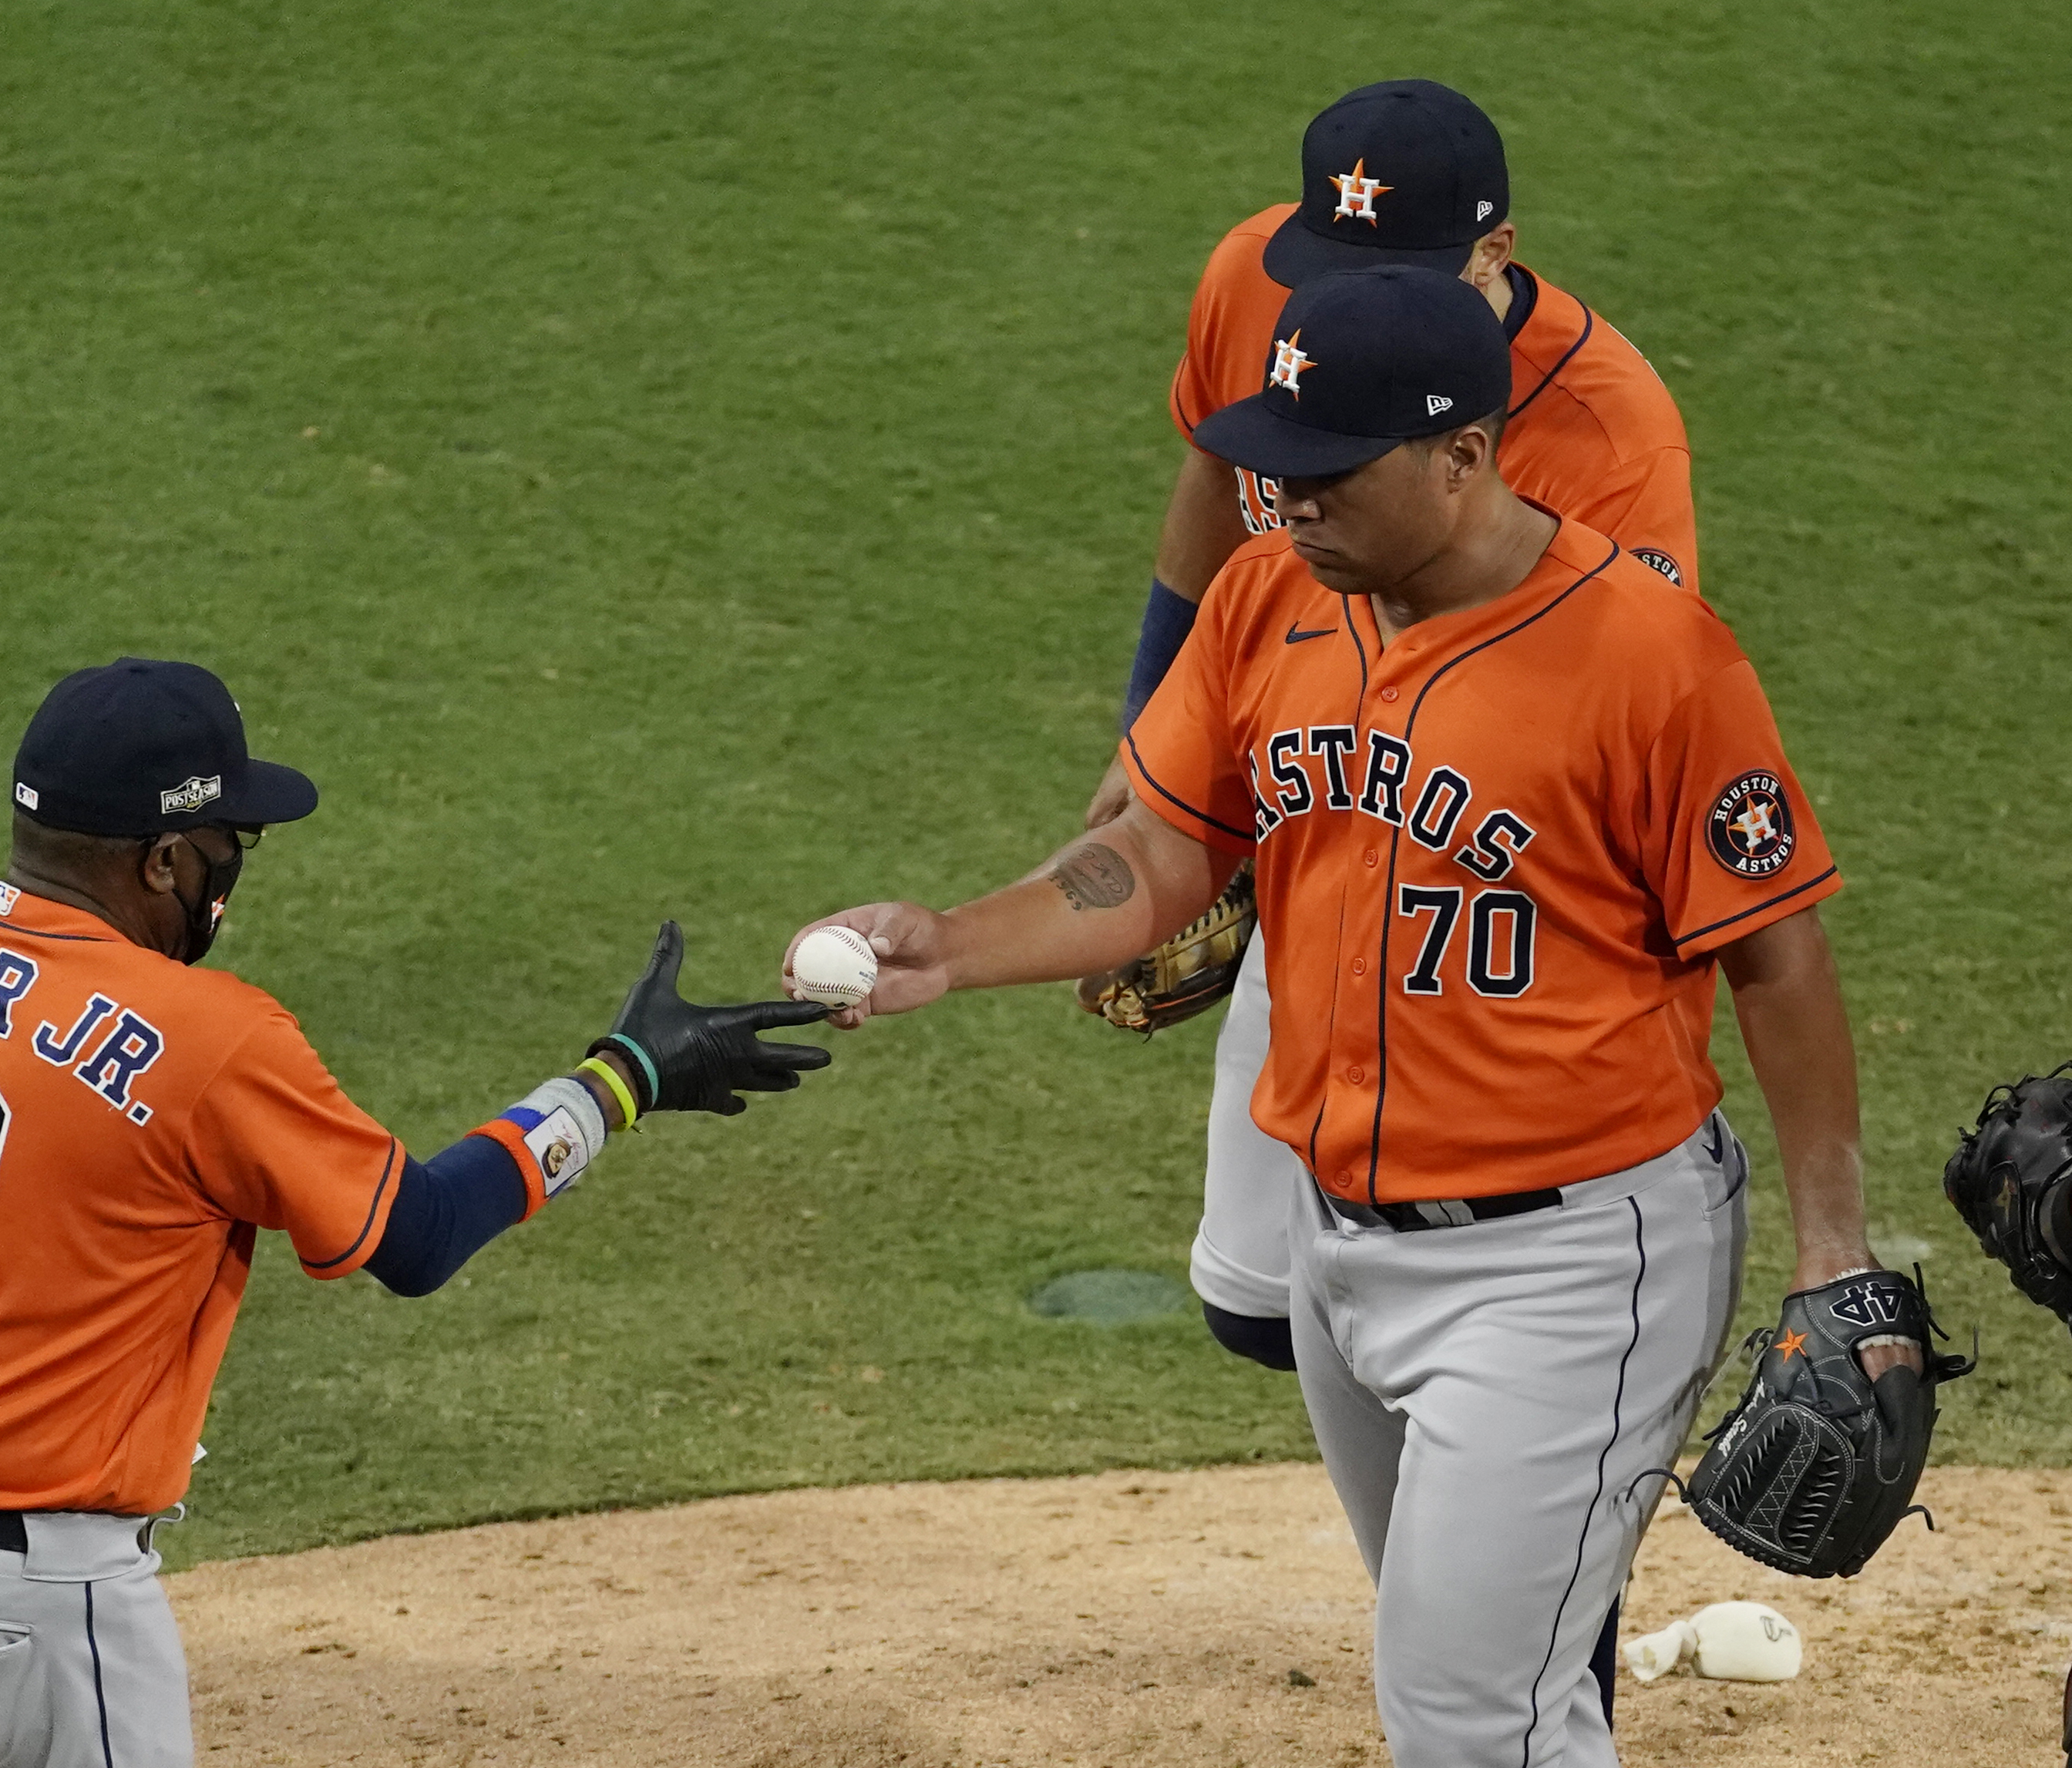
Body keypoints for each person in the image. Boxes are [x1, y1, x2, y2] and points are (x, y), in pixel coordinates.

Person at [789, 269, 1921, 1766]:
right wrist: (957, 939)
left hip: (1571, 1266)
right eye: (1276, 462)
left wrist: (1830, 1245)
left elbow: (1776, 957)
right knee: (1482, 1677)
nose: (1285, 500)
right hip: (1337, 1241)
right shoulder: (1269, 598)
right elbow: (1162, 848)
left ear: (1462, 451)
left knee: (1468, 1717)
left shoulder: (1650, 657)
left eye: (1328, 473)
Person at [0, 657, 829, 1768]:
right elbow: (417, 1235)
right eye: (231, 845)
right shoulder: (206, 1035)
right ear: (166, 858)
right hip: (13, 1604)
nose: (234, 872)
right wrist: (622, 1077)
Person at [1084, 79, 1699, 1382]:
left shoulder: (1609, 428)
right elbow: (1214, 466)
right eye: (1334, 267)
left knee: (1459, 1277)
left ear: (1497, 255)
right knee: (1255, 1303)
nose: (1354, 307)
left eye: (1407, 271)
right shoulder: (1254, 285)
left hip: (1486, 894)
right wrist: (1160, 747)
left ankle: (1529, 1544)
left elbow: (1626, 708)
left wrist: (1313, 802)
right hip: (1322, 820)